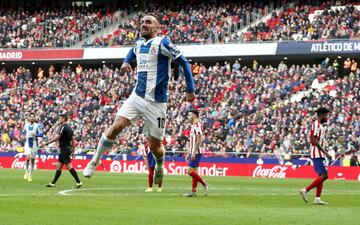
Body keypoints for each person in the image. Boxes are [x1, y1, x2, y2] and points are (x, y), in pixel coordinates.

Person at [83, 13, 195, 186]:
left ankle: (159, 164)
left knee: (155, 147)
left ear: (157, 28)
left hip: (157, 103)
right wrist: (126, 63)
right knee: (116, 127)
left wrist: (190, 89)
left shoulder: (163, 43)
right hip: (137, 96)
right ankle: (94, 161)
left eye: (148, 22)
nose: (143, 24)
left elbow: (184, 63)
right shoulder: (138, 44)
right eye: (142, 22)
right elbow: (131, 53)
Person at [39, 114, 82, 189]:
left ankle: (79, 182)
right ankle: (52, 183)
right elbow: (73, 141)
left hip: (64, 149)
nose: (59, 120)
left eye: (60, 118)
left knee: (69, 166)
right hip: (66, 148)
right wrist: (73, 151)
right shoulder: (70, 129)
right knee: (59, 166)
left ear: (63, 119)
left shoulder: (63, 127)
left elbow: (57, 137)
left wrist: (47, 143)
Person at [299, 107, 331, 205]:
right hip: (317, 153)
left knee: (321, 176)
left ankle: (317, 198)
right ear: (321, 115)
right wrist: (325, 152)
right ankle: (305, 190)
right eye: (326, 115)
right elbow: (314, 140)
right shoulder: (316, 125)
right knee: (325, 176)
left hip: (319, 153)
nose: (327, 117)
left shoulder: (320, 125)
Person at [183, 110, 209, 197]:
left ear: (194, 115)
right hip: (193, 151)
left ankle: (204, 184)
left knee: (189, 171)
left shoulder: (198, 124)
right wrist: (189, 152)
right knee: (194, 171)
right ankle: (193, 192)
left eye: (189, 115)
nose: (188, 117)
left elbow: (199, 139)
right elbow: (192, 140)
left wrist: (193, 152)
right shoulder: (193, 125)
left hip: (196, 152)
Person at [23, 113, 43, 182]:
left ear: (35, 118)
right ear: (29, 118)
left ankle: (30, 174)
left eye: (33, 117)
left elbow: (41, 134)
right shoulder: (26, 125)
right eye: (30, 116)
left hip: (34, 144)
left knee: (33, 160)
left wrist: (36, 134)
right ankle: (26, 171)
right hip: (27, 144)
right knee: (28, 158)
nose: (31, 118)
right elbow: (23, 132)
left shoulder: (38, 126)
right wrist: (23, 136)